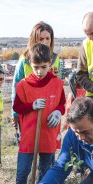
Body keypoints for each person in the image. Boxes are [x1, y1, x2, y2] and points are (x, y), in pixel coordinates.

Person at [13, 43, 66, 184]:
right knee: (23, 170)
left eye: (44, 67)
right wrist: (31, 106)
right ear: (30, 63)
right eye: (36, 67)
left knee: (46, 168)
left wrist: (58, 111)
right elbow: (17, 107)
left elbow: (62, 104)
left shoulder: (56, 84)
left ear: (50, 63)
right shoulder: (23, 85)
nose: (40, 71)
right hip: (29, 136)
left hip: (48, 134)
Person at [11, 21, 62, 149]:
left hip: (49, 113)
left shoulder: (55, 60)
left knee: (48, 150)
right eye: (40, 38)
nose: (44, 42)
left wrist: (58, 111)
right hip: (29, 112)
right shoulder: (24, 60)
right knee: (28, 148)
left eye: (47, 38)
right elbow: (16, 87)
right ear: (34, 39)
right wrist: (15, 114)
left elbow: (59, 88)